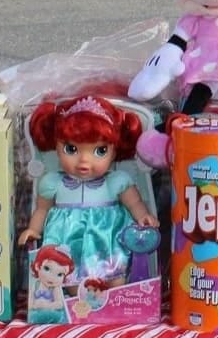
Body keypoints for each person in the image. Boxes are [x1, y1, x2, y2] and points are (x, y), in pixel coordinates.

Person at [18, 96, 159, 290]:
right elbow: (42, 209)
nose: (84, 161)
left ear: (114, 152)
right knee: (71, 280)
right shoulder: (53, 183)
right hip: (68, 240)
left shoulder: (116, 181)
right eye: (71, 149)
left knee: (116, 278)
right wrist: (34, 230)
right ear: (57, 148)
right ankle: (76, 299)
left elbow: (134, 203)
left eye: (100, 151)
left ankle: (116, 296)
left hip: (106, 239)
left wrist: (143, 217)